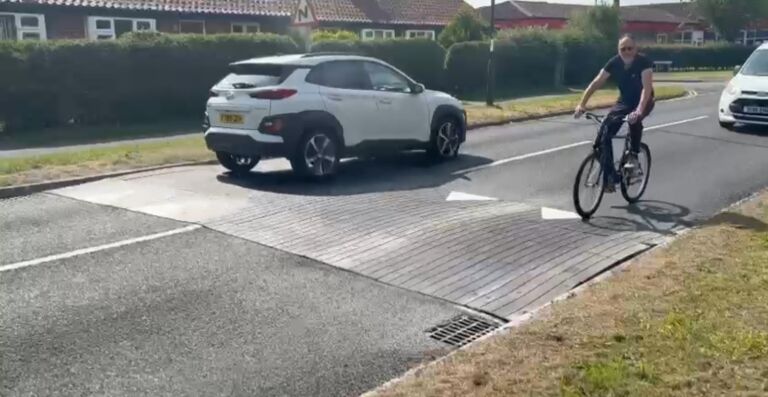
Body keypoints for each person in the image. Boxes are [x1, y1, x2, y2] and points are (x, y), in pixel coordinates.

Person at [574, 34, 655, 192]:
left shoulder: (643, 62)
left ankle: (634, 155)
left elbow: (646, 89)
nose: (626, 52)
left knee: (634, 119)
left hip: (644, 101)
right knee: (605, 132)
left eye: (630, 48)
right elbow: (597, 82)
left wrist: (639, 110)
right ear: (618, 50)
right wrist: (582, 104)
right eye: (623, 49)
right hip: (624, 102)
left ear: (635, 49)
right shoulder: (614, 62)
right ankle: (611, 177)